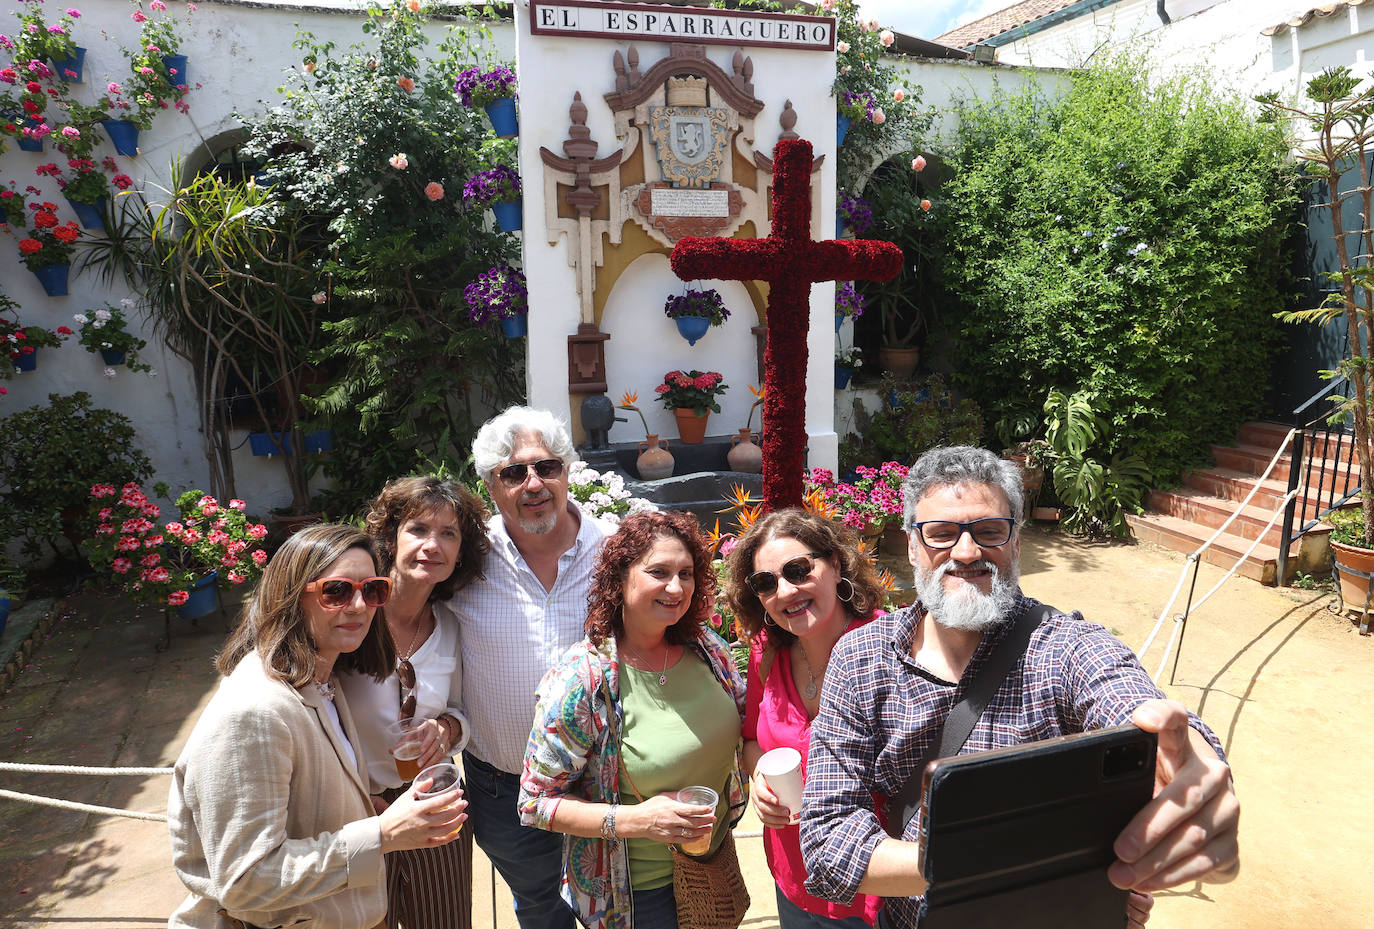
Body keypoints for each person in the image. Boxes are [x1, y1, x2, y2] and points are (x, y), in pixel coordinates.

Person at [801, 446, 1237, 929]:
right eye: (941, 534)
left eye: (988, 531)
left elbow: (1130, 699)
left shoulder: (1065, 649)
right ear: (910, 546)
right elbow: (827, 843)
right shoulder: (863, 657)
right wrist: (1019, 865)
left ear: (1015, 543)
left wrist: (1193, 766)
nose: (966, 553)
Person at [168, 524, 466, 929]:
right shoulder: (254, 712)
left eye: (373, 590)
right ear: (291, 596)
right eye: (337, 591)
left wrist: (364, 808)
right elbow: (244, 881)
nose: (359, 606)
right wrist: (382, 834)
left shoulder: (324, 682)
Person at [518, 510, 749, 929]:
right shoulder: (581, 681)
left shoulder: (708, 649)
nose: (676, 587)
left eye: (686, 573)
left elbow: (746, 726)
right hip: (639, 897)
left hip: (712, 866)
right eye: (658, 572)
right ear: (620, 579)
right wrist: (638, 821)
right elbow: (535, 804)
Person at [437, 406, 610, 929]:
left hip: (607, 779)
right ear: (491, 485)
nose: (533, 484)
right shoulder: (464, 561)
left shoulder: (616, 548)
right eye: (514, 473)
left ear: (567, 471)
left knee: (621, 902)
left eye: (547, 467)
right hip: (505, 784)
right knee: (539, 903)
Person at [724, 509, 889, 927]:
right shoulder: (768, 651)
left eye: (798, 570)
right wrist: (760, 775)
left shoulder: (889, 646)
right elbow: (751, 742)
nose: (785, 591)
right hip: (795, 879)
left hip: (874, 887)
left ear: (835, 565)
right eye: (766, 582)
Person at [340, 476, 489, 929]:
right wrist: (353, 793)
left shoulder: (451, 625)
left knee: (444, 921)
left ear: (460, 551)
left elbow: (462, 712)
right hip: (356, 807)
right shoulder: (354, 617)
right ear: (390, 536)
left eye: (448, 534)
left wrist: (446, 730)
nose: (433, 545)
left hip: (435, 803)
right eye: (418, 530)